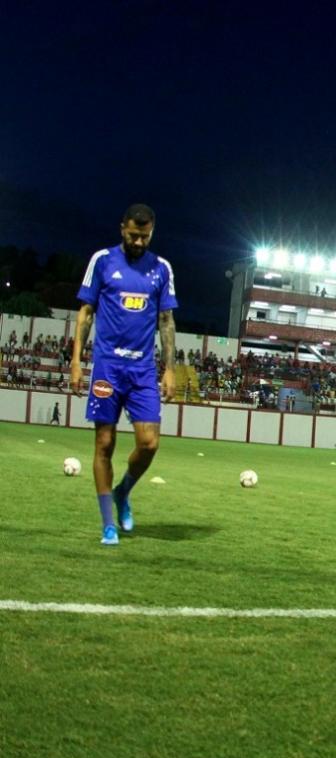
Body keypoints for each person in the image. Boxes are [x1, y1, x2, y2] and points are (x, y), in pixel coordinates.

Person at [71, 204, 177, 546]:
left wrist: (171, 369)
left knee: (149, 444)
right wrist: (76, 361)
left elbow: (166, 321)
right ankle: (107, 525)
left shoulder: (161, 269)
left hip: (143, 370)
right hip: (106, 368)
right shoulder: (102, 260)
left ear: (152, 233)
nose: (138, 241)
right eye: (133, 234)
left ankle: (123, 493)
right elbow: (85, 312)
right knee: (104, 443)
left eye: (144, 236)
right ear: (122, 229)